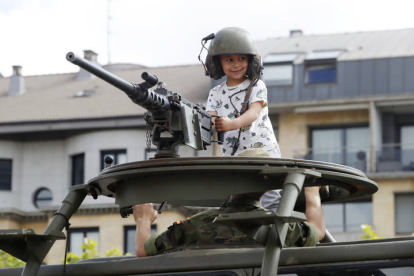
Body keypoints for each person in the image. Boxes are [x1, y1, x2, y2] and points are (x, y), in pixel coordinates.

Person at [133, 149, 326, 257]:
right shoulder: (282, 229)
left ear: (230, 182)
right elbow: (317, 231)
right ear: (268, 189)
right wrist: (312, 193)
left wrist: (143, 219)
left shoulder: (196, 226)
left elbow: (144, 250)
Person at [203, 27, 282, 211]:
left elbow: (253, 113)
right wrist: (216, 122)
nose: (236, 64)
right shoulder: (215, 92)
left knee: (271, 197)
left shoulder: (256, 85)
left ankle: (274, 232)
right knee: (239, 201)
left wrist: (231, 124)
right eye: (229, 59)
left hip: (264, 152)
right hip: (234, 156)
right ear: (217, 63)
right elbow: (211, 117)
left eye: (242, 59)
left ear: (251, 61)